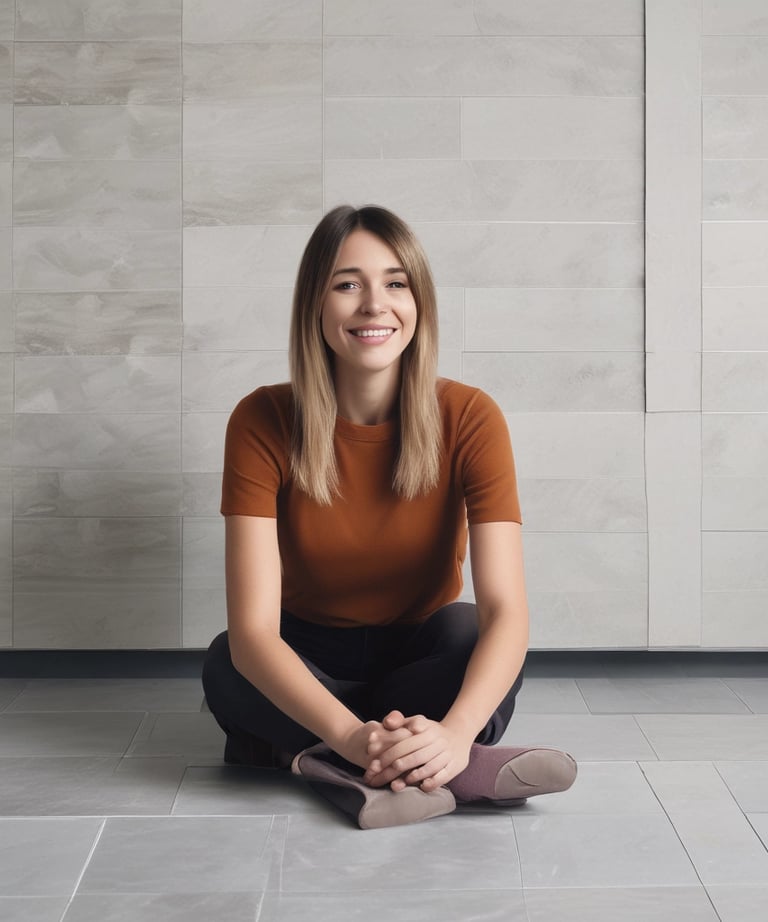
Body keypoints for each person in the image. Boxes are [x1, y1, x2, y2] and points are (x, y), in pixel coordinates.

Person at [202, 204, 576, 829]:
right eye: (347, 284)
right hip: (310, 662)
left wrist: (454, 732)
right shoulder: (261, 419)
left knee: (471, 633)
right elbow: (255, 633)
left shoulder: (472, 416)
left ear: (419, 303)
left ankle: (332, 762)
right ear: (314, 306)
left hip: (418, 661)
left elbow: (507, 610)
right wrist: (352, 735)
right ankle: (455, 773)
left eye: (396, 283)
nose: (375, 304)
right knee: (227, 660)